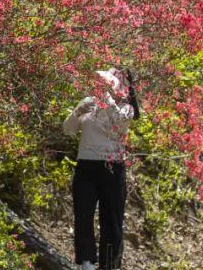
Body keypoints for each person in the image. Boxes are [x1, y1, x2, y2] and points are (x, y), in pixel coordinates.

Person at [63, 67, 140, 270]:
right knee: (83, 215)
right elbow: (68, 130)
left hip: (113, 168)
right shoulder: (87, 103)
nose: (100, 87)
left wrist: (107, 100)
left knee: (112, 219)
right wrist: (78, 111)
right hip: (86, 167)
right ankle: (86, 261)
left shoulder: (126, 108)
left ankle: (110, 265)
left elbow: (119, 124)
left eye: (106, 84)